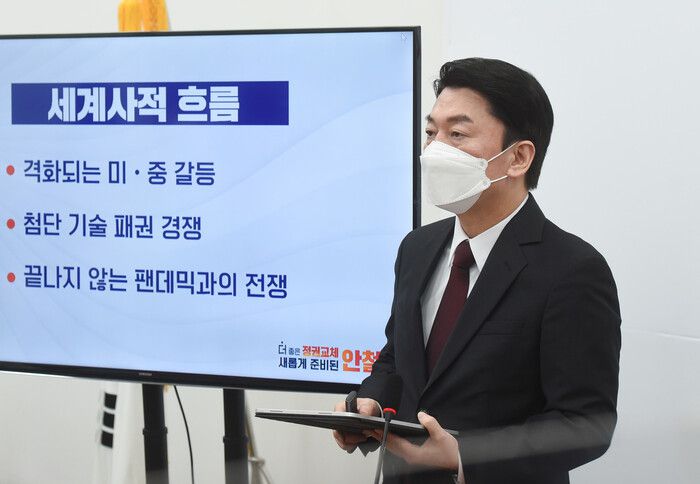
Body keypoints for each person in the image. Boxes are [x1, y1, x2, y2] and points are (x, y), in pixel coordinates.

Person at [333, 58, 621, 484]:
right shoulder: (417, 247)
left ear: (518, 157)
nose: (435, 150)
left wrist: (465, 455)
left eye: (457, 134)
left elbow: (585, 423)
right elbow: (397, 359)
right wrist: (370, 405)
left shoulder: (573, 270)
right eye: (431, 132)